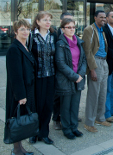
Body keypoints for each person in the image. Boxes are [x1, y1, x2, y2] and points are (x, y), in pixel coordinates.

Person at [6, 19, 36, 155]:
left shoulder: (25, 46)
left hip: (27, 89)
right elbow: (15, 75)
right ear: (15, 31)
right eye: (22, 29)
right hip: (18, 92)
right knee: (17, 120)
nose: (26, 32)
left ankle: (19, 149)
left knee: (22, 120)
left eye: (28, 29)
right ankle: (17, 150)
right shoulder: (14, 49)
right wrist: (20, 95)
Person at [55, 18, 87, 140]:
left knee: (75, 105)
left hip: (78, 79)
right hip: (66, 80)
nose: (72, 29)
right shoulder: (60, 43)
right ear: (62, 29)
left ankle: (74, 127)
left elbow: (83, 60)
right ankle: (67, 129)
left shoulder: (79, 41)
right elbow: (60, 63)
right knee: (65, 106)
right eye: (68, 27)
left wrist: (80, 75)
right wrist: (74, 76)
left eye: (73, 27)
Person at [29, 11, 57, 145]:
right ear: (38, 22)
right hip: (37, 77)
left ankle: (44, 133)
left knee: (47, 106)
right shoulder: (31, 37)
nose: (48, 22)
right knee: (36, 105)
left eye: (49, 20)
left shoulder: (53, 36)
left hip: (50, 76)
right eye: (45, 20)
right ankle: (33, 133)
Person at [83, 10, 110, 133]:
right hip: (95, 63)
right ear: (95, 18)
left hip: (104, 62)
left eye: (105, 17)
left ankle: (100, 118)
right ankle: (89, 122)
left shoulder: (102, 30)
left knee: (103, 92)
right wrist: (92, 69)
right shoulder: (89, 29)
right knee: (93, 93)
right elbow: (87, 51)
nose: (103, 19)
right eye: (101, 17)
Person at [52, 12, 74, 131]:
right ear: (61, 22)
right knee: (57, 97)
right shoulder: (55, 34)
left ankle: (68, 115)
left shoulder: (74, 35)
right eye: (67, 20)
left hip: (70, 70)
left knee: (70, 95)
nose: (69, 23)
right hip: (58, 70)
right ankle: (56, 119)